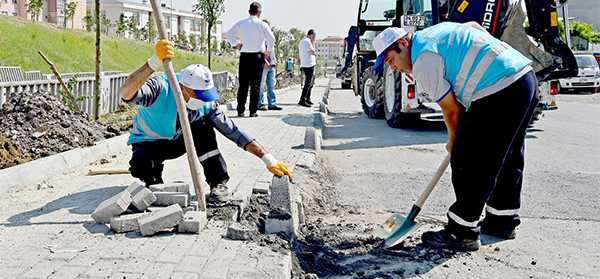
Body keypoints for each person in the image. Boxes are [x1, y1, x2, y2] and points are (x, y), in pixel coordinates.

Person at [373, 22, 538, 251]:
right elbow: (474, 26)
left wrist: (454, 142)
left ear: (402, 44)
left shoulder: (422, 60)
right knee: (508, 153)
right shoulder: (433, 34)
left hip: (498, 89)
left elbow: (451, 111)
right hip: (523, 79)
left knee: (468, 157)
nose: (395, 68)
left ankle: (462, 231)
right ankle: (502, 220)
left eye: (391, 60)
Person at [119, 39, 293, 204]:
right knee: (140, 166)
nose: (203, 100)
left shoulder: (207, 105)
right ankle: (153, 180)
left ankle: (218, 182)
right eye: (199, 95)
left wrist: (268, 159)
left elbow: (234, 132)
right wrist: (153, 63)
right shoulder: (161, 89)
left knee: (203, 127)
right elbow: (126, 93)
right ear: (183, 88)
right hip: (149, 142)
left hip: (180, 140)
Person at [223, 1, 275, 117]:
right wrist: (268, 52)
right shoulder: (262, 24)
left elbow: (228, 34)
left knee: (243, 85)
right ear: (259, 12)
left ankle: (240, 110)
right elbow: (271, 39)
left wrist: (236, 44)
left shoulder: (241, 23)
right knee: (255, 85)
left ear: (249, 11)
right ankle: (253, 111)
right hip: (258, 57)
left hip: (245, 56)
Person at [258, 19, 282, 111]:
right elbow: (260, 51)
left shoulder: (270, 38)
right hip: (264, 65)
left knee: (271, 85)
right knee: (261, 85)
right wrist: (264, 61)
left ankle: (272, 104)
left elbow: (271, 52)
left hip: (272, 65)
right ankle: (260, 104)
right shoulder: (260, 39)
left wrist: (274, 62)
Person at [298, 29, 317, 107]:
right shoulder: (308, 41)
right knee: (308, 83)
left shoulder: (302, 41)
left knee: (309, 83)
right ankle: (302, 100)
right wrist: (313, 43)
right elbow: (313, 52)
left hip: (304, 64)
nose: (314, 38)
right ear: (311, 35)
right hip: (309, 65)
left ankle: (307, 99)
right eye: (314, 36)